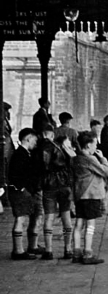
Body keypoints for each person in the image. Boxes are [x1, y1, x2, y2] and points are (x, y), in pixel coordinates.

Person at [71, 131, 108, 265]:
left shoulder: (76, 158)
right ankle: (88, 253)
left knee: (78, 224)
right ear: (88, 145)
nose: (96, 147)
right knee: (91, 225)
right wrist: (103, 158)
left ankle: (76, 253)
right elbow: (106, 171)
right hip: (91, 195)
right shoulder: (90, 159)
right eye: (95, 144)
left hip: (79, 195)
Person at [8, 128, 43, 259]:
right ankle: (18, 251)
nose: (36, 142)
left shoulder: (25, 153)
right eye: (34, 139)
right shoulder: (19, 155)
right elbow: (15, 175)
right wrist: (22, 188)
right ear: (28, 139)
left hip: (24, 191)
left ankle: (28, 247)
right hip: (20, 192)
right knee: (20, 219)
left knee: (24, 218)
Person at [40, 125, 74, 259]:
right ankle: (68, 249)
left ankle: (48, 250)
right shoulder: (67, 152)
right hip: (64, 186)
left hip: (49, 185)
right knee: (66, 216)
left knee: (49, 217)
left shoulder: (43, 149)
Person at [2, 102, 15, 213]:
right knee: (4, 175)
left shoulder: (5, 121)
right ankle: (5, 198)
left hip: (8, 151)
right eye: (7, 110)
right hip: (4, 152)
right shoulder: (2, 122)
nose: (8, 113)